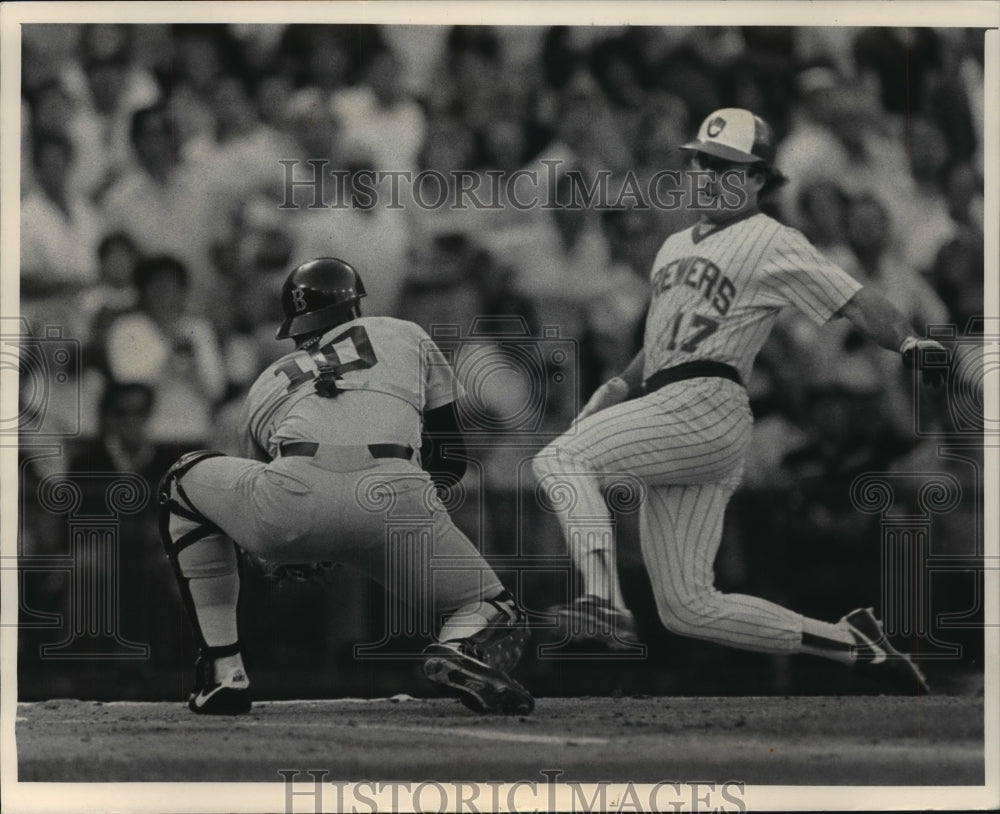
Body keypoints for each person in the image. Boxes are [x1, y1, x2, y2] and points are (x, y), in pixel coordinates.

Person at [533, 108, 947, 694]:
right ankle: (854, 644)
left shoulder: (771, 239)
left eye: (726, 166)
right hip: (672, 405)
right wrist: (616, 390)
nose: (708, 173)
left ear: (757, 179)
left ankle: (603, 605)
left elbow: (856, 301)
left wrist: (909, 341)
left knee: (556, 459)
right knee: (687, 606)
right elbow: (657, 349)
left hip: (708, 401)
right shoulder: (673, 246)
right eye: (702, 160)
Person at [158, 257, 533, 716]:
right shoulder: (405, 332)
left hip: (296, 503)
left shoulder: (267, 381)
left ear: (297, 329)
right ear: (356, 308)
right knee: (494, 608)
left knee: (181, 479)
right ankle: (459, 646)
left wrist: (302, 550)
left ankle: (223, 671)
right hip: (398, 499)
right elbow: (451, 460)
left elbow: (261, 509)